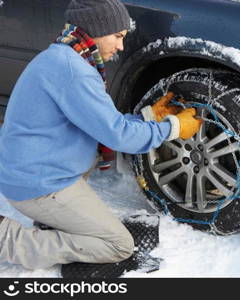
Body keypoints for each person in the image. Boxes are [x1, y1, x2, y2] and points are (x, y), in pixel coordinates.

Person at [0, 0, 201, 270]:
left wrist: (151, 118)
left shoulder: (63, 57)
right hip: (39, 185)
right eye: (118, 36)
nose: (120, 47)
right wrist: (174, 127)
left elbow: (103, 123)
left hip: (37, 169)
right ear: (96, 29)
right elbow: (118, 136)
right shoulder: (74, 72)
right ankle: (10, 240)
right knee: (118, 245)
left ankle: (54, 219)